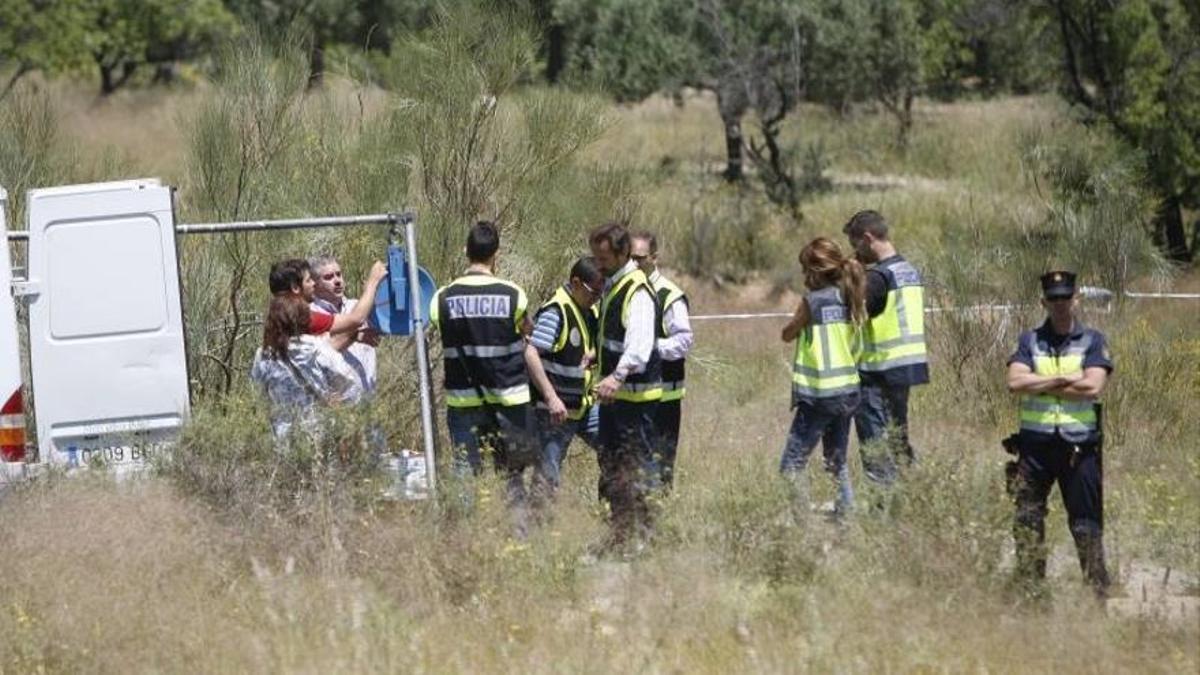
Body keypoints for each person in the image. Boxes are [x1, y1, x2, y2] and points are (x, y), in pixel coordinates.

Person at [1005, 270, 1113, 596]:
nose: (1060, 304)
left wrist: (1037, 383)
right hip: (1035, 448)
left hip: (1078, 449)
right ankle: (1031, 593)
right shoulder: (1029, 340)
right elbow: (1014, 383)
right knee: (1027, 520)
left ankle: (1097, 597)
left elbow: (1092, 386)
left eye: (1065, 297)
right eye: (1053, 298)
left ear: (1076, 299)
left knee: (1086, 526)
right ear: (1044, 302)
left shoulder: (1093, 340)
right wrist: (1061, 381)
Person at [429, 221, 539, 524]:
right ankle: (519, 532)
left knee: (465, 471)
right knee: (512, 473)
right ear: (496, 254)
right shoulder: (513, 294)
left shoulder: (442, 297)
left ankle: (461, 537)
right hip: (508, 402)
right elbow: (526, 332)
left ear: (466, 251)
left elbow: (443, 331)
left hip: (463, 402)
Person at [589, 221, 663, 552]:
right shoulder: (615, 285)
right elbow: (615, 337)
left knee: (638, 469)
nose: (598, 264)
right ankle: (618, 535)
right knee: (612, 467)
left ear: (622, 253)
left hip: (635, 401)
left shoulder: (638, 290)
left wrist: (616, 376)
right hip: (614, 401)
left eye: (603, 258)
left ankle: (643, 540)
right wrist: (596, 355)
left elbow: (640, 346)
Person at [778, 237, 865, 516]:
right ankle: (846, 517)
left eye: (805, 270)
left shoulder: (811, 302)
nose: (804, 276)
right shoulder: (850, 297)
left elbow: (787, 334)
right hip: (848, 392)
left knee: (791, 465)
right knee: (836, 461)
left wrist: (796, 322)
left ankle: (803, 525)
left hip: (819, 396)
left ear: (816, 272)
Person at [842, 210, 929, 486]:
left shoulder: (879, 278)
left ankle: (884, 510)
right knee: (898, 440)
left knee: (876, 448)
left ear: (867, 238)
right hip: (905, 369)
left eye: (856, 245)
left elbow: (852, 313)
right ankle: (913, 498)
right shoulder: (908, 270)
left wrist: (850, 278)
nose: (855, 252)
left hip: (876, 371)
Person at [525, 257, 604, 496]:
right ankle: (537, 527)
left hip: (585, 407)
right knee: (548, 478)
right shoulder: (556, 311)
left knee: (616, 447)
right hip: (555, 412)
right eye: (593, 292)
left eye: (601, 293)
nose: (596, 298)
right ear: (576, 282)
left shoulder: (588, 311)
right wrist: (551, 398)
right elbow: (531, 353)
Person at [250, 294, 364, 446]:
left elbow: (257, 398)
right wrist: (338, 403)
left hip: (281, 439)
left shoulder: (263, 355)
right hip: (318, 434)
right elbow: (351, 387)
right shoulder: (315, 348)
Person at [631, 231, 694, 490]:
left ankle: (658, 521)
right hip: (632, 398)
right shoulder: (627, 290)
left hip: (663, 399)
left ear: (654, 258)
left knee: (660, 468)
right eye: (629, 258)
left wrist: (648, 348)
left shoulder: (669, 295)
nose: (634, 264)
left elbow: (683, 342)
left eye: (640, 258)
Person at [268, 257, 387, 342]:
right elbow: (356, 319)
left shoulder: (279, 315)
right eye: (309, 280)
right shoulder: (302, 316)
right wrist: (373, 282)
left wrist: (353, 336)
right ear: (295, 287)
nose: (313, 284)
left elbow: (328, 348)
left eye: (339, 274)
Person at [309, 255, 380, 395]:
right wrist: (353, 335)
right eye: (328, 277)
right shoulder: (311, 314)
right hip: (337, 409)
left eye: (339, 275)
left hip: (368, 403)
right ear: (315, 285)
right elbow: (323, 352)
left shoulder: (358, 306)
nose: (337, 281)